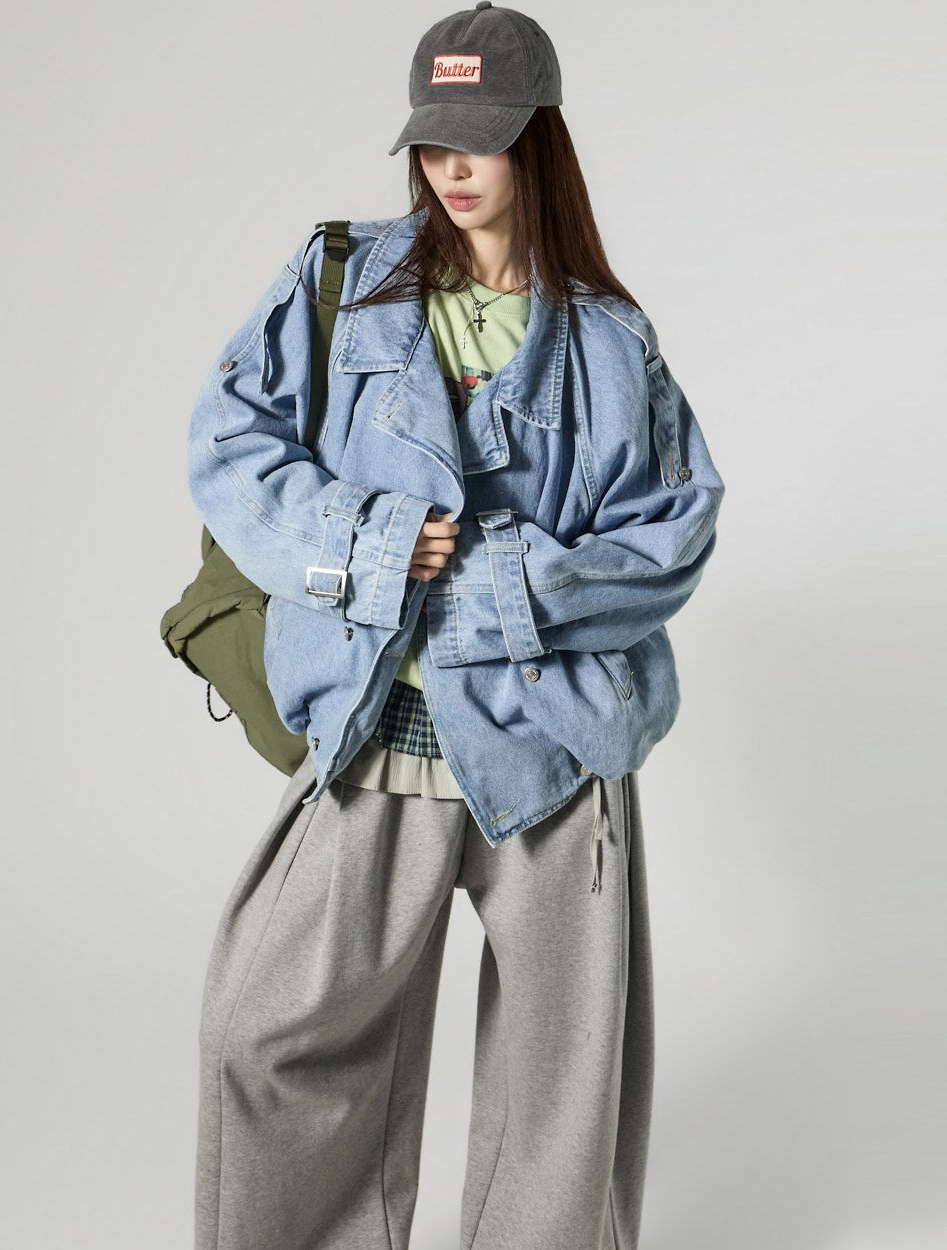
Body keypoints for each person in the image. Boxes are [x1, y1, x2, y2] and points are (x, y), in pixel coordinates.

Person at [187, 4, 725, 1248]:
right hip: (376, 723)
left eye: (479, 138)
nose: (451, 167)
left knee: (560, 1093)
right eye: (433, 139)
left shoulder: (609, 338)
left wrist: (495, 586)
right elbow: (229, 442)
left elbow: (673, 528)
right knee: (261, 1032)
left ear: (539, 140)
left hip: (554, 742)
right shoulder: (343, 280)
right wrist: (369, 542)